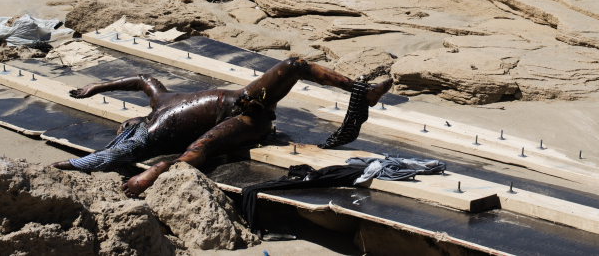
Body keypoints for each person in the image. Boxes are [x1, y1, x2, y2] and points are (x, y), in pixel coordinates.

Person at [50, 56, 394, 196]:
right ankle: (156, 173)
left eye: (126, 123)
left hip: (247, 98)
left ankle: (362, 92)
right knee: (200, 150)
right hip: (243, 121)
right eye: (127, 126)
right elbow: (109, 156)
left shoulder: (160, 102)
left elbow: (142, 79)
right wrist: (148, 174)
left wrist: (97, 86)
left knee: (293, 64)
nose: (126, 123)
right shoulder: (152, 134)